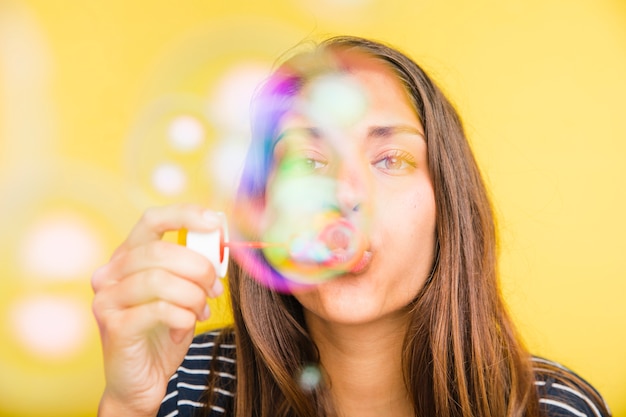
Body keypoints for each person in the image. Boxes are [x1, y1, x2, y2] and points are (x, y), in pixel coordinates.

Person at [91, 36, 611, 417]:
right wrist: (127, 403)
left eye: (390, 159)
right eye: (307, 161)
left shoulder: (552, 408)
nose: (344, 193)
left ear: (447, 206)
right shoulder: (182, 384)